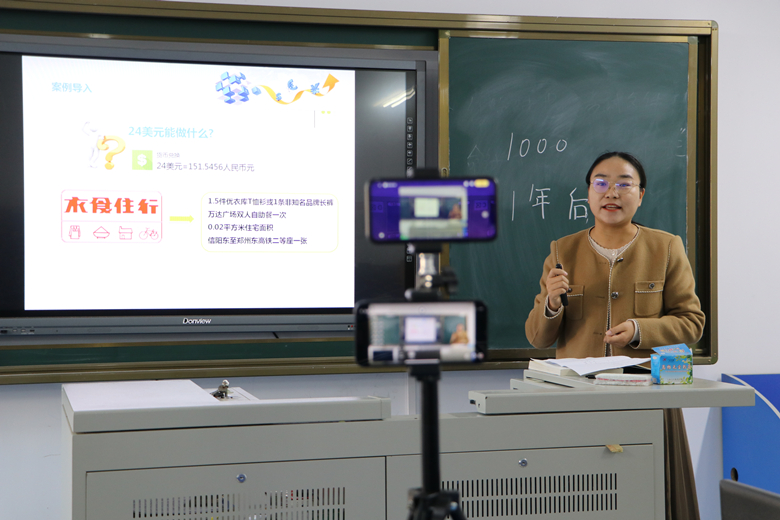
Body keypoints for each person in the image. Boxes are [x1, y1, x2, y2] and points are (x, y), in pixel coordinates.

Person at [525, 151, 706, 520]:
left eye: (624, 184)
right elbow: (538, 339)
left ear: (641, 195)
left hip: (648, 394)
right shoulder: (562, 250)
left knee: (651, 495)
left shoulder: (666, 247)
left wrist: (640, 330)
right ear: (588, 194)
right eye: (601, 183)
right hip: (577, 397)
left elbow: (692, 322)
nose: (611, 192)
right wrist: (552, 303)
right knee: (581, 499)